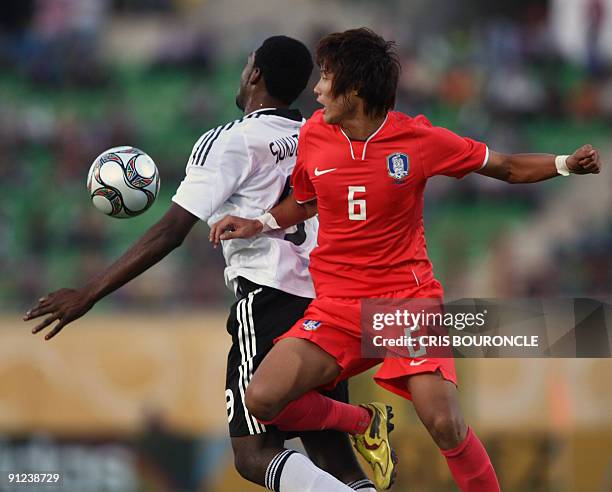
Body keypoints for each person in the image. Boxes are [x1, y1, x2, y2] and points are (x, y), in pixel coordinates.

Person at [209, 28, 603, 492]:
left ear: (354, 90)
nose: (315, 90)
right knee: (262, 399)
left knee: (444, 423)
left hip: (405, 305)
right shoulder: (315, 134)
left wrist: (564, 164)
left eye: (327, 78)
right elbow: (306, 200)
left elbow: (506, 167)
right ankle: (362, 421)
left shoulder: (418, 139)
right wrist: (257, 222)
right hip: (336, 307)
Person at [24, 36, 379, 492]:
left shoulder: (232, 140)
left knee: (254, 454)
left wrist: (88, 292)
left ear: (255, 75)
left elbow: (172, 231)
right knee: (332, 454)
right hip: (328, 305)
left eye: (247, 64)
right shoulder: (320, 134)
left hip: (271, 300)